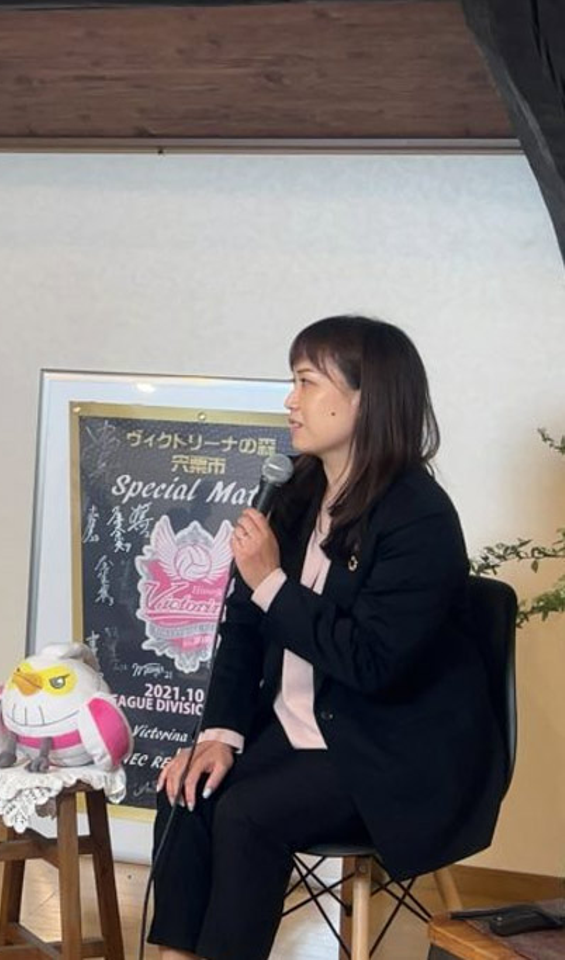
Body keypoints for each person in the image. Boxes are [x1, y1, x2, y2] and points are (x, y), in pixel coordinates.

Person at [147, 315, 507, 960]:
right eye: (293, 382)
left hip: (391, 748)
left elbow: (372, 664)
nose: (290, 400)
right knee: (188, 790)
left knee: (247, 813)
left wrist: (271, 582)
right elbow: (242, 627)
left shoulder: (419, 516)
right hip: (297, 730)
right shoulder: (293, 493)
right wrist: (220, 734)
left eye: (307, 382)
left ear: (367, 397)